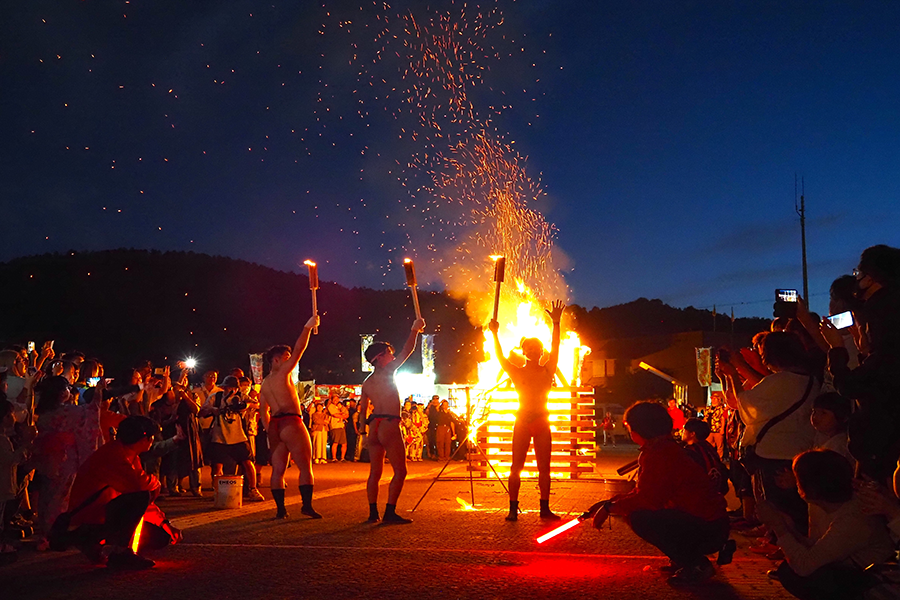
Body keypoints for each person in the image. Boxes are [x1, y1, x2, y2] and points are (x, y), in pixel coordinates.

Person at [592, 401, 730, 586]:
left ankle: (695, 564)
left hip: (707, 526)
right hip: (710, 522)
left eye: (630, 426)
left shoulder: (661, 454)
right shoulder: (663, 449)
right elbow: (644, 490)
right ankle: (684, 560)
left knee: (640, 518)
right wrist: (611, 503)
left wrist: (610, 508)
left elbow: (648, 499)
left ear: (640, 429)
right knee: (640, 512)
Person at [759, 450, 894, 600]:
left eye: (797, 478)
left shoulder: (853, 518)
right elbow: (814, 547)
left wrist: (778, 526)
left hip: (869, 578)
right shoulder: (819, 505)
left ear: (810, 487)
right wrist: (789, 527)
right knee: (789, 570)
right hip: (844, 567)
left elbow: (804, 566)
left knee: (802, 575)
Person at [489, 299, 564, 522]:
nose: (533, 350)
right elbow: (500, 356)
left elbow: (557, 346)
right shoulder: (516, 372)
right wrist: (494, 334)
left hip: (541, 420)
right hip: (522, 420)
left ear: (542, 351)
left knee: (544, 467)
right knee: (516, 466)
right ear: (523, 351)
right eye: (529, 348)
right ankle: (513, 508)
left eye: (537, 348)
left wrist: (557, 323)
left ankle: (544, 507)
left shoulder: (548, 369)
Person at [67, 416, 173, 570]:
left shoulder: (128, 454)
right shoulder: (114, 456)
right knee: (140, 496)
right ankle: (119, 552)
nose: (153, 440)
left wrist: (163, 522)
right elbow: (137, 491)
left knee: (160, 537)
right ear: (144, 438)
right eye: (152, 437)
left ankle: (97, 543)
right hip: (88, 519)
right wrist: (155, 483)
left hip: (100, 515)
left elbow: (138, 494)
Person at [358, 316, 426, 524]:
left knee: (375, 472)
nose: (392, 356)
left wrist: (362, 430)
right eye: (388, 353)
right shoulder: (388, 371)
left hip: (374, 427)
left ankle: (372, 512)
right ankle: (389, 511)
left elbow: (362, 412)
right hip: (388, 425)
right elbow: (408, 350)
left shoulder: (367, 383)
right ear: (379, 358)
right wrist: (414, 330)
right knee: (400, 471)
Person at [259, 314, 321, 519]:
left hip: (275, 425)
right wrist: (307, 328)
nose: (289, 360)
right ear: (276, 360)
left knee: (278, 470)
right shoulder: (281, 373)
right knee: (305, 465)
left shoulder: (265, 384)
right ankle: (306, 505)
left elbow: (263, 411)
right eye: (285, 358)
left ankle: (280, 510)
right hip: (291, 422)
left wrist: (269, 430)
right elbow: (299, 350)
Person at [200, 376, 264, 502]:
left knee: (248, 461)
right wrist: (213, 410)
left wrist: (247, 405)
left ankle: (253, 489)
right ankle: (218, 490)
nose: (232, 390)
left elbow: (257, 405)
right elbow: (201, 412)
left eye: (234, 388)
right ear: (224, 387)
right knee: (217, 465)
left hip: (238, 435)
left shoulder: (241, 397)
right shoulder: (216, 397)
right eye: (229, 387)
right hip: (219, 436)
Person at [326, 391, 349, 462]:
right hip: (335, 426)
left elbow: (347, 415)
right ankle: (334, 458)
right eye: (334, 399)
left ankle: (342, 458)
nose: (336, 400)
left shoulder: (341, 406)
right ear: (332, 400)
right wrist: (342, 416)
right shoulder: (330, 406)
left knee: (344, 443)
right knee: (335, 442)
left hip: (341, 426)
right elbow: (334, 415)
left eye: (337, 398)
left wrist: (342, 414)